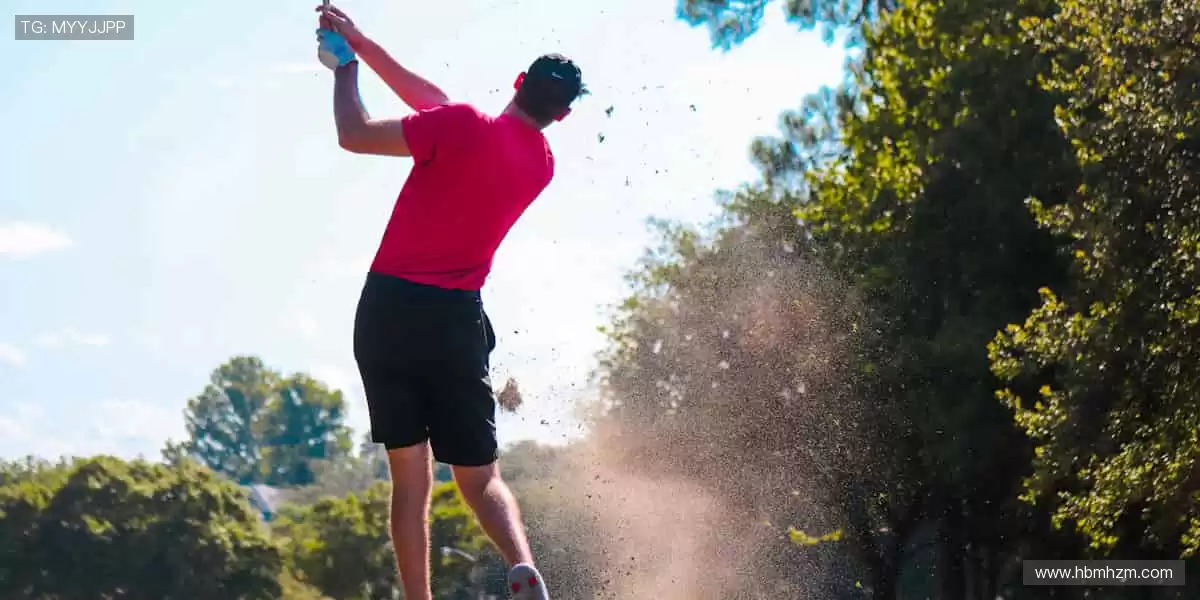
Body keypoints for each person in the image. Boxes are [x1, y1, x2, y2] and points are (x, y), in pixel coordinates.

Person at [314, 5, 585, 600]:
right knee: (479, 476)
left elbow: (354, 134)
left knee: (410, 483)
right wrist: (361, 40)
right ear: (561, 115)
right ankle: (521, 565)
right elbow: (434, 102)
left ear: (517, 81)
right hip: (455, 319)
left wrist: (343, 67)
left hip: (387, 311)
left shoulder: (458, 125)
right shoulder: (540, 165)